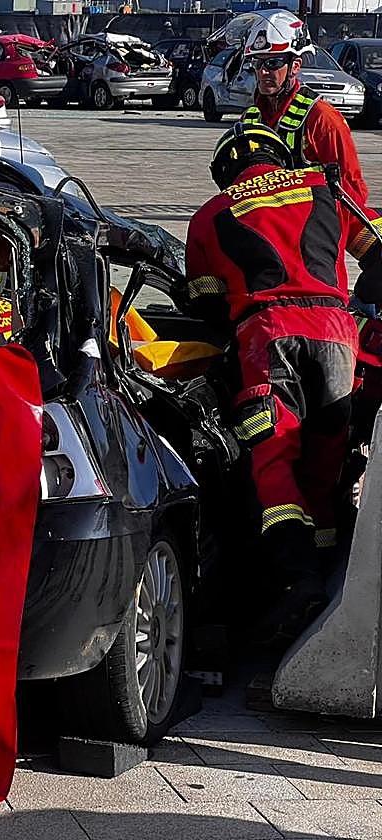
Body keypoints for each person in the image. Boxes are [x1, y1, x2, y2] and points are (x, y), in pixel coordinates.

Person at [186, 122, 382, 646]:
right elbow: (378, 248)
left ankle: (296, 585)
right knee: (326, 463)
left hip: (267, 336)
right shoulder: (326, 187)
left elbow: (206, 307)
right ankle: (330, 590)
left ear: (224, 168)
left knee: (274, 464)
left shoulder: (209, 215)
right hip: (339, 334)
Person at [240, 10, 372, 212]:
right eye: (257, 62)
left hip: (309, 232)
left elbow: (351, 190)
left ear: (295, 66)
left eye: (273, 63)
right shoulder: (251, 118)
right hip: (262, 229)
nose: (263, 71)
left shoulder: (322, 118)